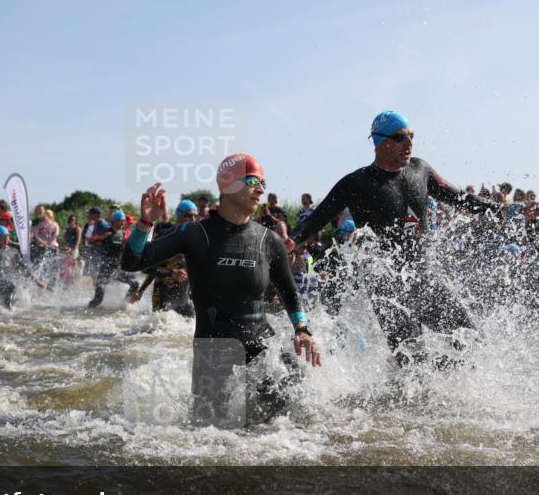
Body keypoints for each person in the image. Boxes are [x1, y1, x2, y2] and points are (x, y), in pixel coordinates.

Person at [122, 153, 320, 427]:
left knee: (286, 430)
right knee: (209, 437)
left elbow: (290, 293)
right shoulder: (194, 234)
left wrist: (302, 330)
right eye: (252, 180)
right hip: (213, 351)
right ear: (227, 185)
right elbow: (132, 262)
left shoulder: (269, 240)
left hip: (265, 349)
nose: (261, 189)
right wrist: (145, 225)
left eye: (263, 182)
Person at [290, 110, 500, 367]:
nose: (409, 143)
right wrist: (287, 244)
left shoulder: (420, 170)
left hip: (424, 278)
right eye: (401, 137)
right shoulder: (355, 183)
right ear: (380, 142)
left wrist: (500, 210)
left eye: (412, 136)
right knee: (413, 364)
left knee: (472, 341)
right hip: (386, 287)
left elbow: (459, 198)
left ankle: (447, 388)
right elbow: (313, 222)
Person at [128, 200, 195, 317]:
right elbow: (147, 268)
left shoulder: (194, 240)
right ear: (179, 215)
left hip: (183, 296)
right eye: (189, 215)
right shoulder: (165, 237)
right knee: (157, 329)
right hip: (163, 294)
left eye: (195, 216)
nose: (193, 219)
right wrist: (141, 290)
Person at [88, 209, 139, 308]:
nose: (123, 222)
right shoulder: (108, 233)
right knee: (98, 299)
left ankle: (124, 305)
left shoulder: (123, 234)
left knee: (135, 284)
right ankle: (85, 311)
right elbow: (90, 241)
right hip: (106, 270)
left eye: (123, 220)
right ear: (114, 221)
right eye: (120, 220)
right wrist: (100, 237)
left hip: (118, 269)